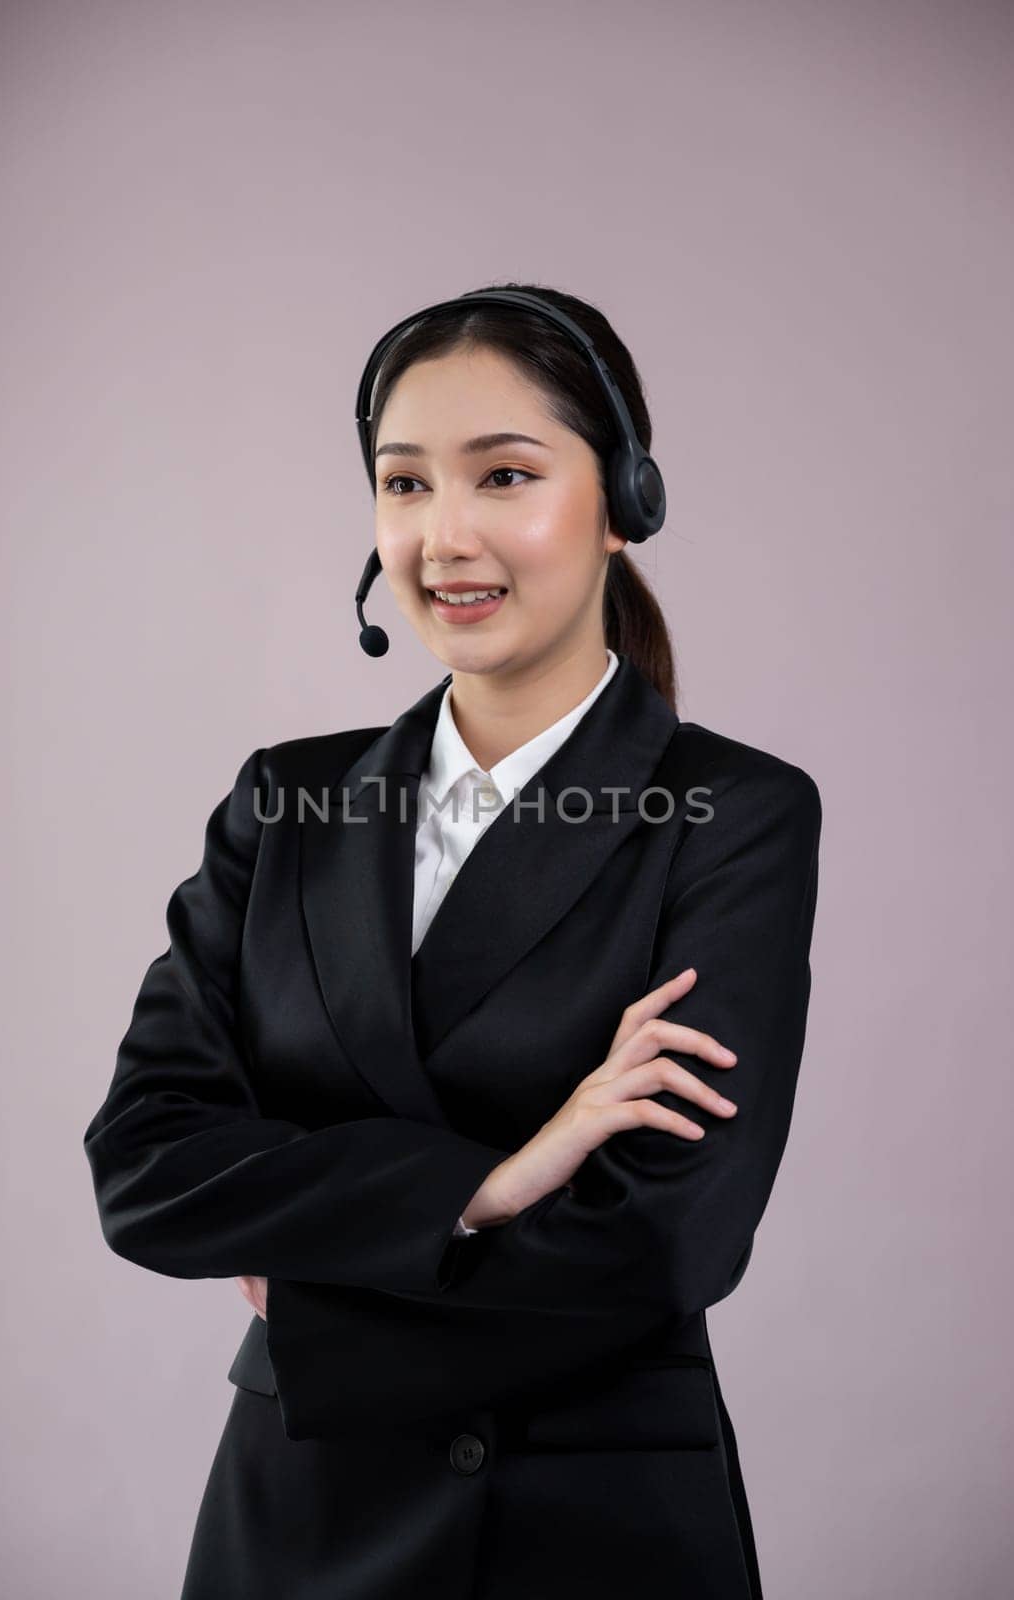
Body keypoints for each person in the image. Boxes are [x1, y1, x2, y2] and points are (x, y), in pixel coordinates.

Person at [82, 282, 822, 1600]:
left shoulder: (731, 813)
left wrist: (311, 1262)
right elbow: (143, 1167)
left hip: (587, 1521)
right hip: (295, 1516)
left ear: (621, 506)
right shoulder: (286, 801)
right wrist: (498, 1178)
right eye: (406, 484)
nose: (446, 534)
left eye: (506, 475)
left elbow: (668, 1244)